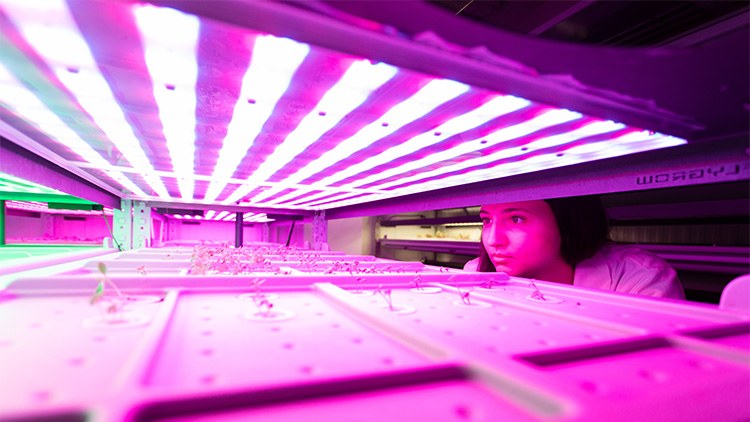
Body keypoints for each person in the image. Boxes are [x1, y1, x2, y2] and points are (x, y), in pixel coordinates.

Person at [463, 195, 685, 299]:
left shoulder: (638, 279)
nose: (493, 240)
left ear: (568, 222)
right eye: (487, 220)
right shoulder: (473, 273)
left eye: (516, 219)